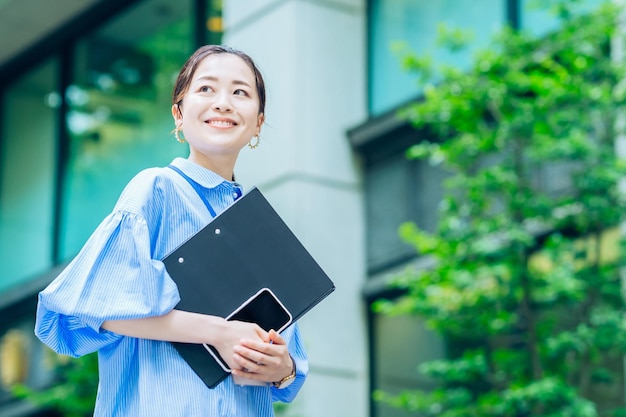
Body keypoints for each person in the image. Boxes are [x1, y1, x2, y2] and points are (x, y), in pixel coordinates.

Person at [35, 45, 308, 417]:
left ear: (258, 123)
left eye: (240, 92)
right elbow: (87, 309)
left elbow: (289, 367)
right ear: (178, 114)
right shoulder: (156, 190)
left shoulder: (260, 229)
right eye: (206, 89)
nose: (224, 103)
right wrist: (218, 333)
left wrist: (282, 369)